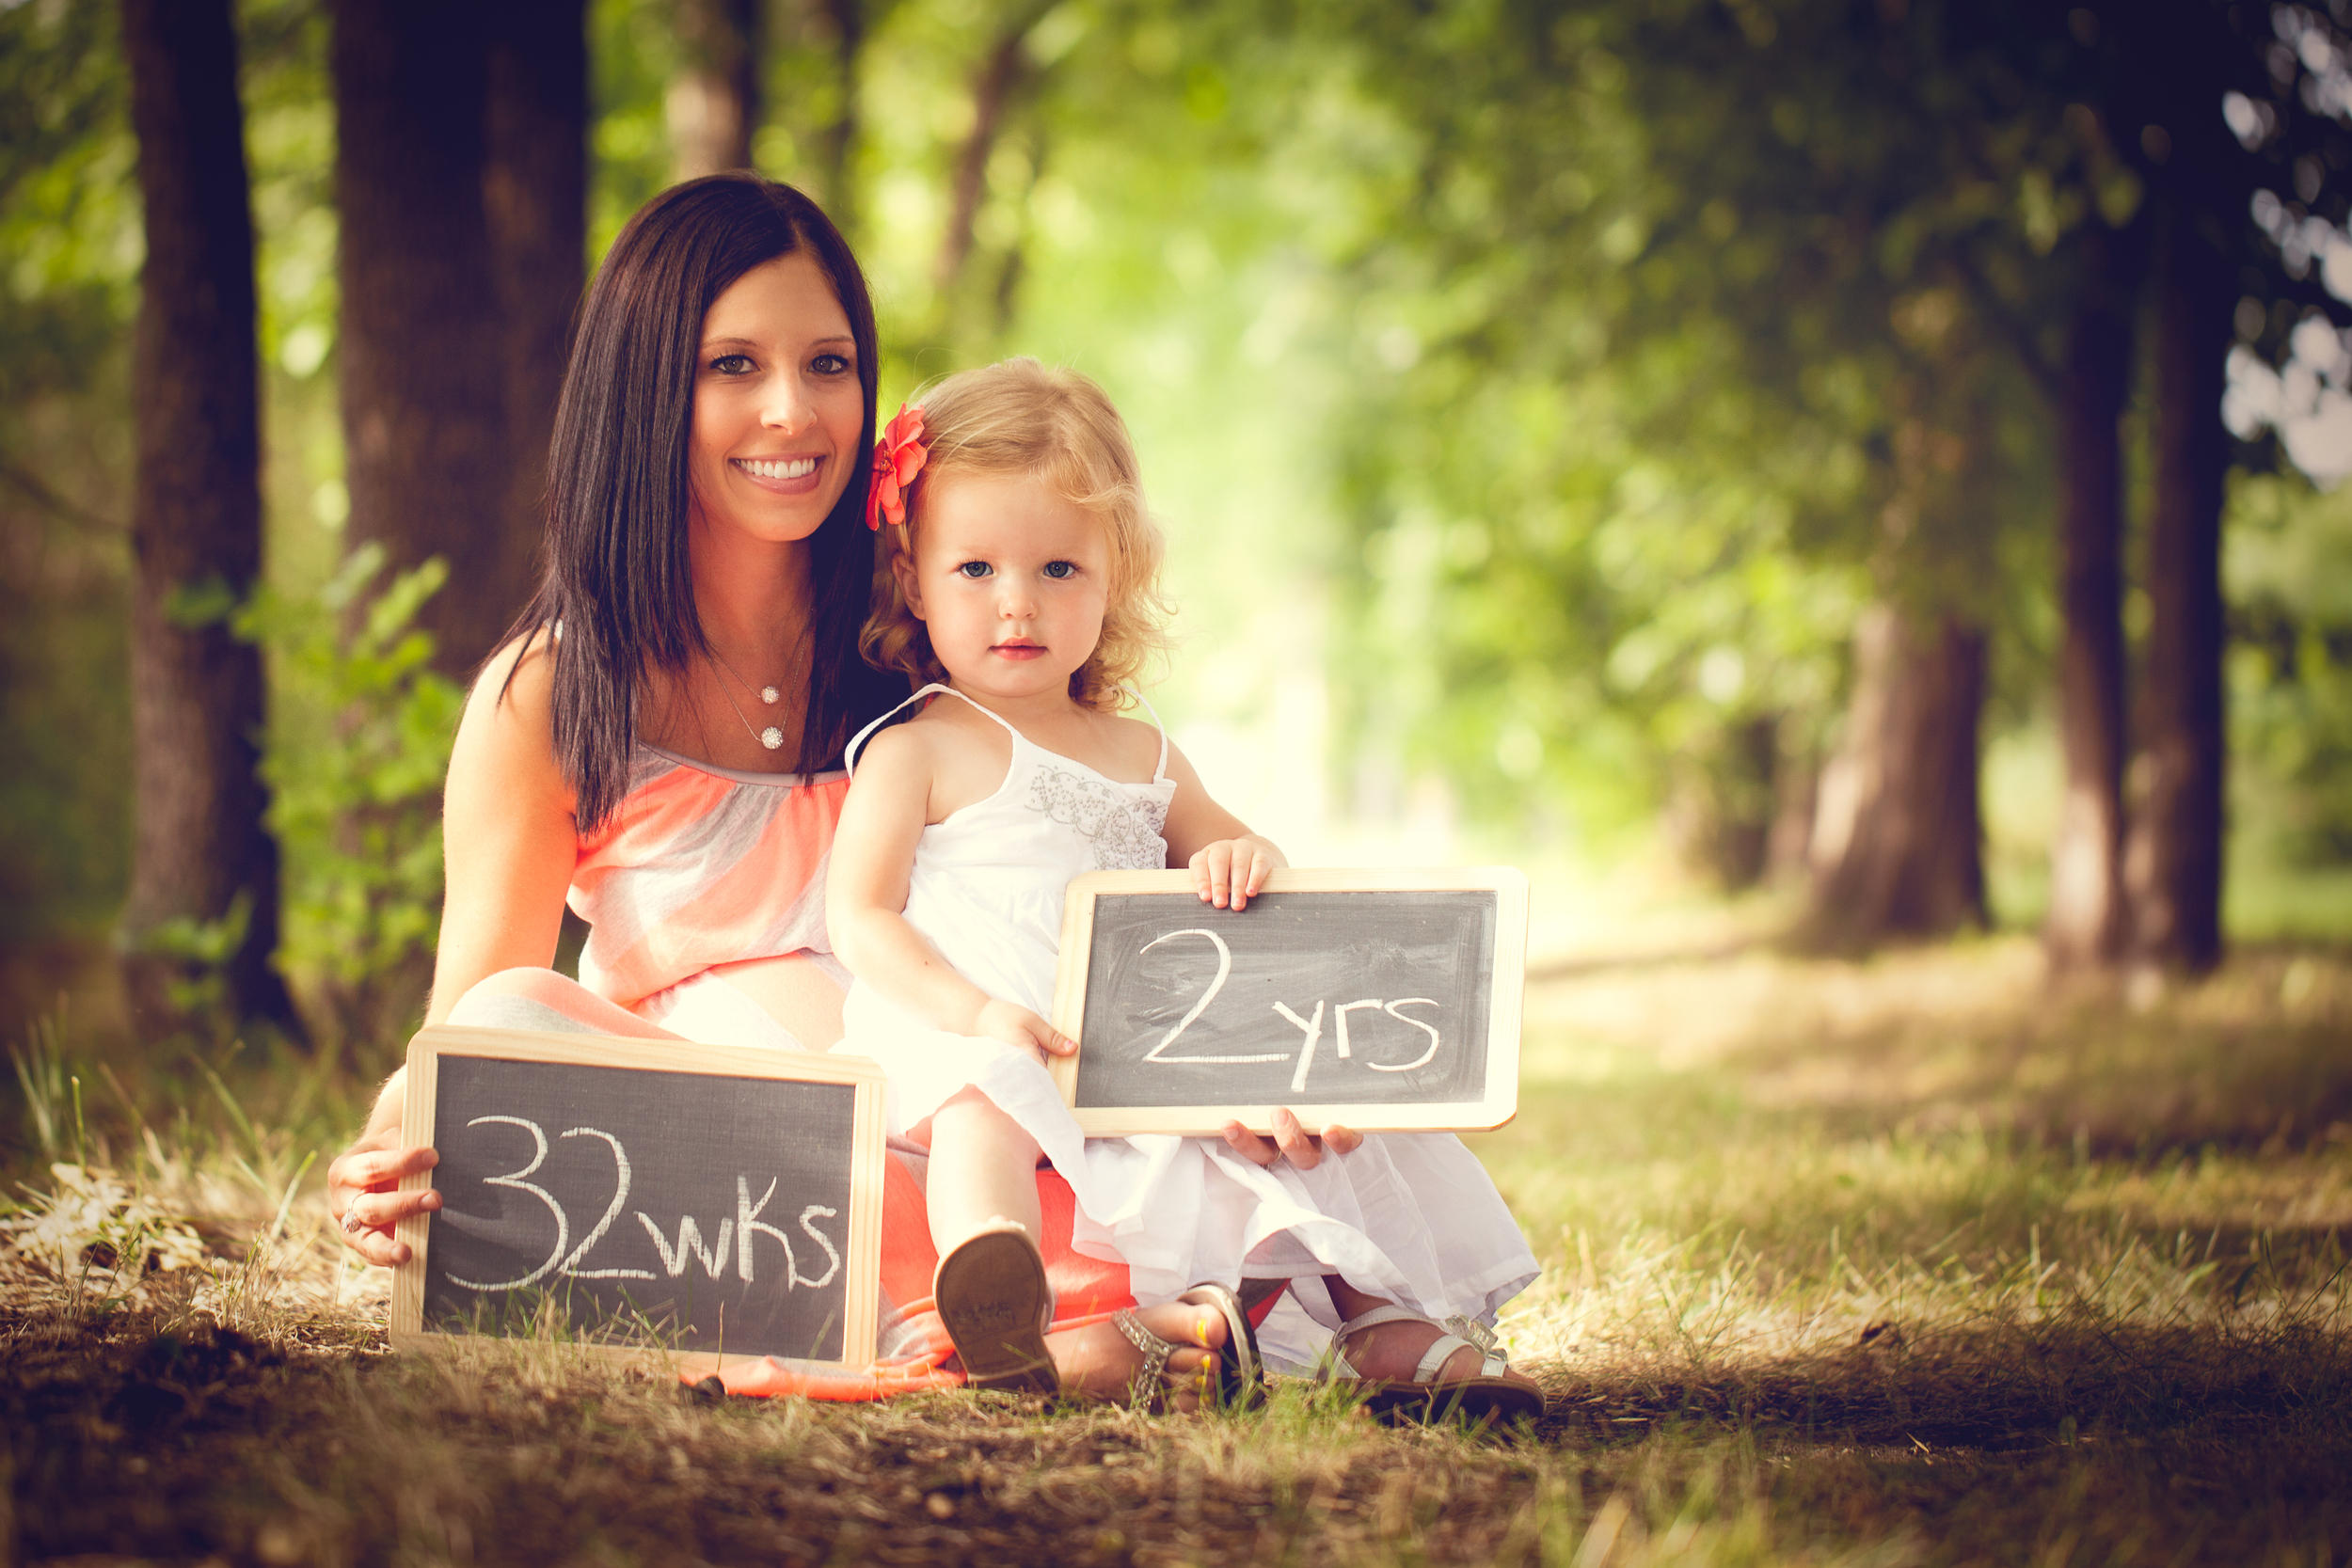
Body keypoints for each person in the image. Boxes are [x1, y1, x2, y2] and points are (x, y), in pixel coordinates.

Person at [322, 175, 1371, 1404]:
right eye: (733, 365)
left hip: (967, 1131)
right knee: (508, 1020)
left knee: (998, 1113)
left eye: (828, 362)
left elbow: (1088, 879)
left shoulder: (933, 629)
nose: (792, 409)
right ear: (646, 387)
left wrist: (1242, 1060)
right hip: (716, 1169)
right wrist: (389, 1143)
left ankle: (1033, 1316)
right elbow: (467, 1032)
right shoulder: (554, 692)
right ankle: (1043, 1330)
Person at [828, 358, 1544, 1422]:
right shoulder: (918, 748)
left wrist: (1238, 857)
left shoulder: (1139, 749)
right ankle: (996, 1274)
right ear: (913, 578)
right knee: (986, 1097)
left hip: (1130, 1045)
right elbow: (860, 914)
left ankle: (1372, 1316)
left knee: (1291, 1112)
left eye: (1059, 569)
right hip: (983, 1021)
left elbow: (1241, 846)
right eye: (974, 568)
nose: (1016, 602)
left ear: (1115, 575)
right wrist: (973, 1009)